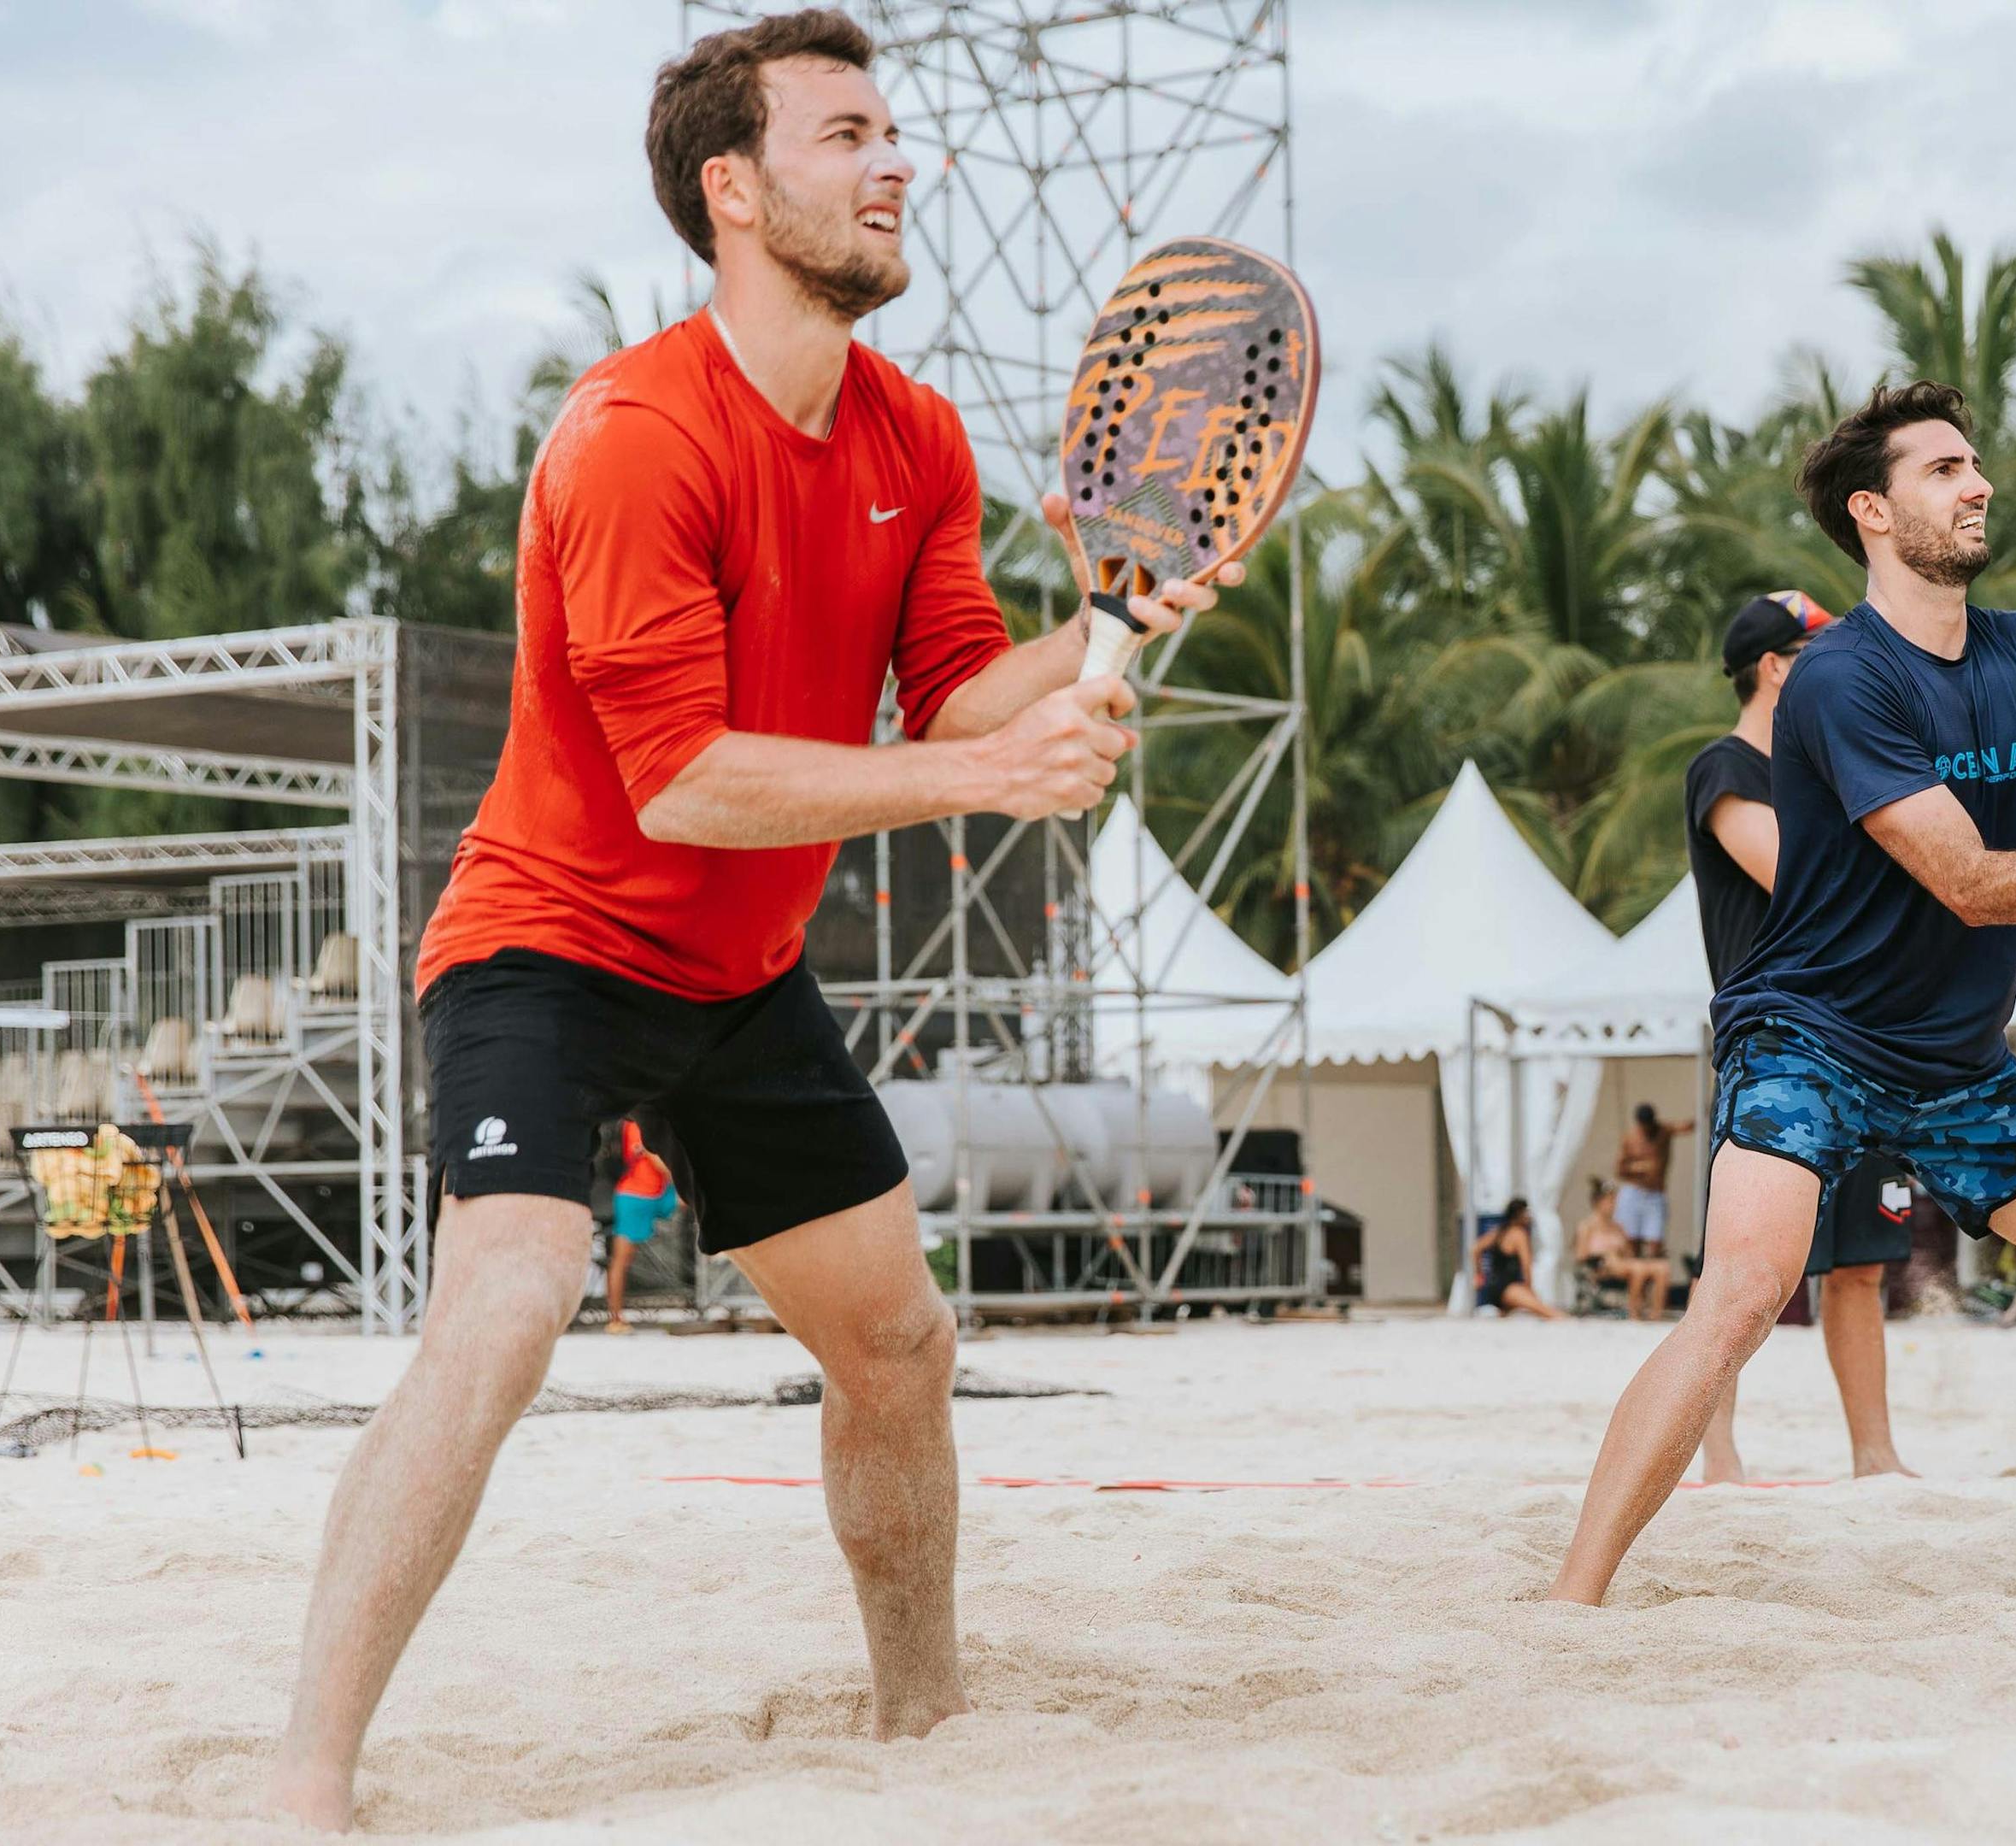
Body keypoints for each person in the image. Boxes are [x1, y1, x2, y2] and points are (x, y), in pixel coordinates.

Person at [265, 13, 1237, 1828]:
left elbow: (957, 694)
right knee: (508, 1306)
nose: (895, 164)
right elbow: (685, 784)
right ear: (735, 189)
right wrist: (991, 778)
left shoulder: (916, 434)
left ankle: (924, 1723)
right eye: (848, 133)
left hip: (742, 976)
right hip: (545, 942)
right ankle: (310, 1778)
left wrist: (1117, 615)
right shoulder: (634, 435)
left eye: (894, 132)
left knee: (897, 1350)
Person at [1546, 380, 2016, 1603]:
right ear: (1874, 511)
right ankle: (1569, 1602)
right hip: (1809, 1038)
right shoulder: (1841, 681)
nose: (1979, 481)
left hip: (1955, 1061)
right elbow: (1974, 885)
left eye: (1976, 462)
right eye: (1945, 469)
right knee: (1741, 1296)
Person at [1684, 588, 1918, 1483]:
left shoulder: (1833, 770)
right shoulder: (1727, 768)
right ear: (1777, 667)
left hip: (1869, 1044)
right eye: (1819, 650)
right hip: (1777, 1046)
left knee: (1861, 1265)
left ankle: (1876, 1455)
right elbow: (1796, 874)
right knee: (1742, 1275)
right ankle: (1720, 1462)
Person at [602, 1120, 678, 1334]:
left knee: (698, 1200)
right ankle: (615, 1318)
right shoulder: (637, 1124)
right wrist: (684, 1174)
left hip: (660, 1193)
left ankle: (719, 1251)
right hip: (636, 1196)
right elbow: (657, 1160)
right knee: (622, 1258)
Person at [1572, 1178, 1670, 1320]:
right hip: (1602, 1266)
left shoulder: (1618, 1227)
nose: (1613, 1205)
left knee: (1662, 1268)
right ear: (1598, 1202)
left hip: (1622, 1262)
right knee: (1638, 1269)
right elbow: (1581, 1256)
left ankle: (1656, 1314)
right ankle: (1634, 1312)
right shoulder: (1587, 1227)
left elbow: (1629, 1253)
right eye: (1610, 1201)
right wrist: (1604, 1255)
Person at [1612, 1102, 1691, 1256]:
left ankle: (1654, 1274)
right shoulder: (1630, 1139)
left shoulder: (1663, 1131)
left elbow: (1685, 1127)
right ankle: (1638, 1277)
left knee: (1655, 1241)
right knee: (1632, 1241)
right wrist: (1639, 1167)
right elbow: (1619, 1170)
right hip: (1634, 1191)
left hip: (1655, 1194)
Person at [1472, 1198, 1562, 1320]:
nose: (1529, 1217)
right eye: (1527, 1213)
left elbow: (1476, 1249)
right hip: (1509, 1288)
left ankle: (1503, 1312)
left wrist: (1479, 1274)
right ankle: (1567, 1319)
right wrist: (1529, 1289)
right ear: (1520, 1214)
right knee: (1545, 1310)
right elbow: (1526, 1265)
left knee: (1526, 1312)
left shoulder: (1499, 1232)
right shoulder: (1519, 1234)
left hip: (1492, 1288)